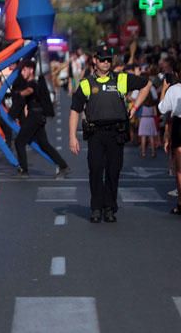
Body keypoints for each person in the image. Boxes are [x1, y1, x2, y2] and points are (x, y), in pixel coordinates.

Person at [68, 45, 152, 223]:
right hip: (95, 134)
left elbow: (147, 84)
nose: (106, 63)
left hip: (116, 133)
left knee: (114, 171)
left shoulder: (121, 79)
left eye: (108, 60)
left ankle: (109, 208)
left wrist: (135, 107)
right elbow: (75, 110)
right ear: (95, 61)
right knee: (96, 170)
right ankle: (96, 208)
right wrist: (72, 136)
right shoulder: (86, 83)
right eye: (102, 59)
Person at [10, 59, 69, 177]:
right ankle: (63, 166)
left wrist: (18, 94)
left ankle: (24, 170)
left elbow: (29, 91)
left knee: (19, 141)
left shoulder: (33, 83)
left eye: (24, 70)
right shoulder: (33, 82)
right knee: (44, 144)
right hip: (37, 116)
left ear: (31, 70)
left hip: (35, 117)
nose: (22, 73)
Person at [159, 61, 181, 214]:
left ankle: (180, 202)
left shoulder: (173, 90)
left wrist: (164, 89)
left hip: (179, 125)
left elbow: (162, 108)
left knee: (180, 170)